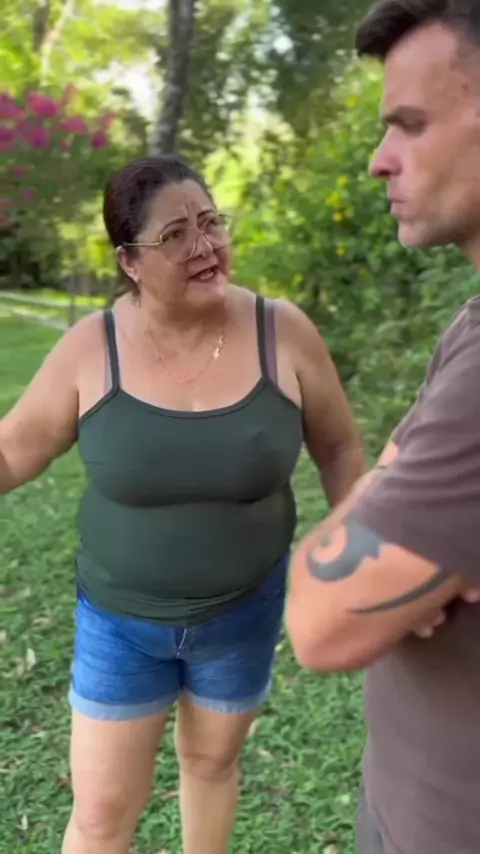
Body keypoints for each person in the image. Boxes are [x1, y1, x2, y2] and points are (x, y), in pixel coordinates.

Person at [0, 154, 365, 854]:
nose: (204, 245)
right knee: (101, 816)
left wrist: (358, 553)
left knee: (212, 765)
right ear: (130, 261)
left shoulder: (282, 331)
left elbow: (342, 449)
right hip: (120, 624)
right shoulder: (91, 348)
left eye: (211, 223)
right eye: (175, 235)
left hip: (244, 613)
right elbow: (15, 451)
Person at [286, 2, 480, 854]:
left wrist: (380, 503)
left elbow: (321, 622)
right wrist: (389, 504)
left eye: (411, 123)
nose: (379, 159)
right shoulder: (470, 323)